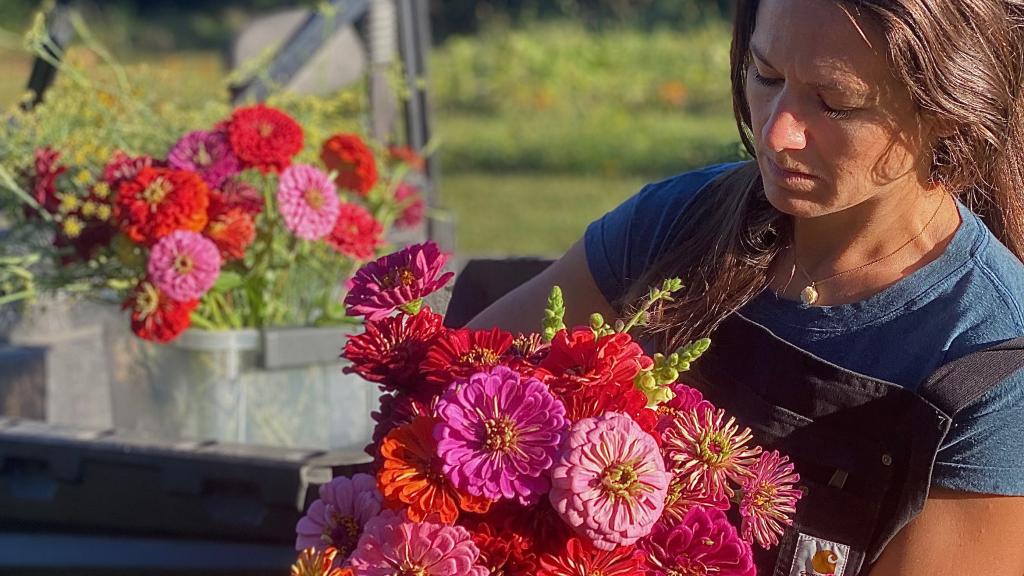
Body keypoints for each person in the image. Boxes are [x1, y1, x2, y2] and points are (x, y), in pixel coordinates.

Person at [467, 0, 1024, 574]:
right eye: (766, 75)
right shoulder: (675, 227)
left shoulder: (990, 363)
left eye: (835, 102)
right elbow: (456, 396)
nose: (778, 132)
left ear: (949, 112)